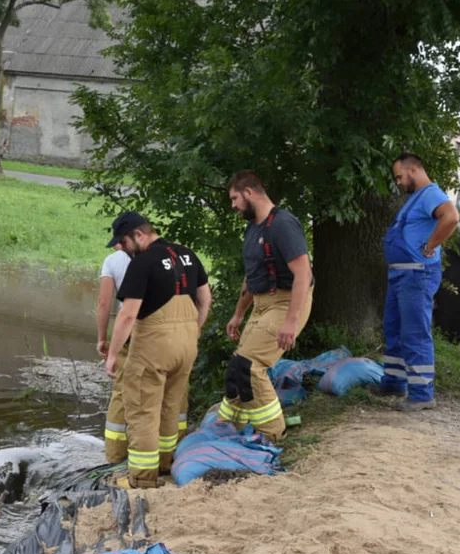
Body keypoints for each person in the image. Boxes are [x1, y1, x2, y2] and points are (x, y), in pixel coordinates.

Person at [104, 212, 212, 488]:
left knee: (142, 411)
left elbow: (128, 316)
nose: (121, 248)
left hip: (153, 348)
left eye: (123, 242)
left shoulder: (143, 263)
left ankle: (141, 478)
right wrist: (195, 328)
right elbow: (205, 297)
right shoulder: (187, 254)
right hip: (186, 346)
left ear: (139, 235)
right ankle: (166, 464)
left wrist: (114, 354)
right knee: (171, 407)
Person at [218, 170, 313, 441]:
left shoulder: (283, 224)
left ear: (249, 192)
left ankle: (272, 432)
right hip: (262, 303)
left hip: (286, 302)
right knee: (237, 365)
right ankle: (228, 424)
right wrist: (238, 314)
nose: (233, 205)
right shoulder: (253, 228)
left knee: (250, 365)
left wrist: (291, 323)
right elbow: (252, 277)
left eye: (235, 198)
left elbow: (303, 276)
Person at [371, 152, 459, 411]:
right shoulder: (416, 199)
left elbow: (451, 217)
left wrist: (431, 245)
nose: (397, 182)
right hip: (402, 274)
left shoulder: (430, 193)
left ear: (413, 171)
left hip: (417, 274)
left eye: (399, 176)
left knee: (415, 333)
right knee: (394, 329)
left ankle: (421, 395)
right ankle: (394, 382)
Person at [97, 243, 131, 464]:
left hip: (130, 333)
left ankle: (115, 458)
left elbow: (104, 303)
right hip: (169, 335)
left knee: (122, 392)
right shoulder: (170, 256)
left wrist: (103, 339)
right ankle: (167, 456)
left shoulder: (113, 260)